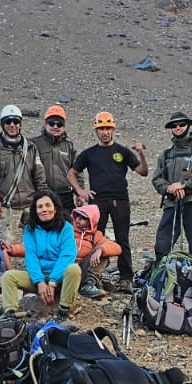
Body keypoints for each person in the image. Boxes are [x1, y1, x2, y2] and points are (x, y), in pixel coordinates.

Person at [66, 111, 147, 286]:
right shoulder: (89, 153)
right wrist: (80, 191)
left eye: (108, 128)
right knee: (94, 237)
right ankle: (93, 276)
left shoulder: (122, 151)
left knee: (122, 238)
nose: (105, 132)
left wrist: (141, 154)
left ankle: (126, 277)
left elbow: (142, 172)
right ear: (96, 130)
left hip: (120, 200)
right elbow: (72, 174)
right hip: (97, 202)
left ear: (113, 128)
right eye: (101, 128)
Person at [0, 190, 80, 320]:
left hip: (60, 279)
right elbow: (31, 257)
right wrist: (40, 282)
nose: (44, 210)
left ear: (55, 208)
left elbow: (67, 256)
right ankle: (10, 314)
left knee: (74, 269)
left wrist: (52, 282)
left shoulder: (66, 228)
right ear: (35, 211)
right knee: (9, 276)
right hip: (39, 277)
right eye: (40, 206)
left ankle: (63, 311)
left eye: (48, 205)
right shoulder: (30, 229)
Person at [151, 111, 192, 267]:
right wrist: (170, 188)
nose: (178, 127)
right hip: (172, 202)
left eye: (182, 124)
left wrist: (184, 186)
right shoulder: (166, 154)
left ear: (188, 126)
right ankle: (161, 280)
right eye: (174, 125)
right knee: (162, 244)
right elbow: (157, 179)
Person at [0, 105, 47, 239]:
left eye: (15, 121)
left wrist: (42, 196)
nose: (12, 125)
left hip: (30, 204)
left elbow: (39, 173)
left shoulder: (30, 147)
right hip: (5, 205)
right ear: (2, 124)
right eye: (8, 121)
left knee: (34, 243)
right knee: (3, 243)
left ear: (20, 124)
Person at [32, 105, 79, 215]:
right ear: (45, 124)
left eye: (59, 124)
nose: (55, 126)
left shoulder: (70, 146)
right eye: (52, 123)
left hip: (65, 195)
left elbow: (77, 171)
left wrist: (79, 193)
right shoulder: (34, 144)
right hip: (42, 194)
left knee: (66, 227)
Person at [69, 204, 121, 298]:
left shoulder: (95, 236)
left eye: (84, 218)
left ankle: (88, 284)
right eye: (77, 216)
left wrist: (100, 250)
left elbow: (117, 248)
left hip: (82, 270)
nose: (78, 220)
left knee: (104, 255)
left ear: (91, 221)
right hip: (67, 269)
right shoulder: (68, 231)